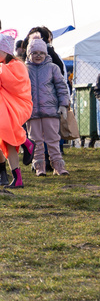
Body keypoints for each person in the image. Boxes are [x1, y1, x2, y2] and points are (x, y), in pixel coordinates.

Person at [25, 38, 70, 176]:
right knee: (36, 140)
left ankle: (58, 165)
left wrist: (63, 104)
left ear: (46, 54)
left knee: (53, 139)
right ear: (29, 54)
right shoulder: (24, 69)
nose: (38, 55)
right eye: (35, 53)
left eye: (41, 53)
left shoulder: (53, 68)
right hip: (32, 112)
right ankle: (39, 166)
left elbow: (61, 87)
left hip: (50, 111)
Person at [0, 33, 34, 188]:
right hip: (6, 107)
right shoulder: (4, 66)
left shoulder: (16, 66)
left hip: (17, 106)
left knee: (6, 130)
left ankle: (27, 142)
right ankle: (17, 179)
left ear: (6, 51)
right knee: (8, 142)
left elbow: (14, 84)